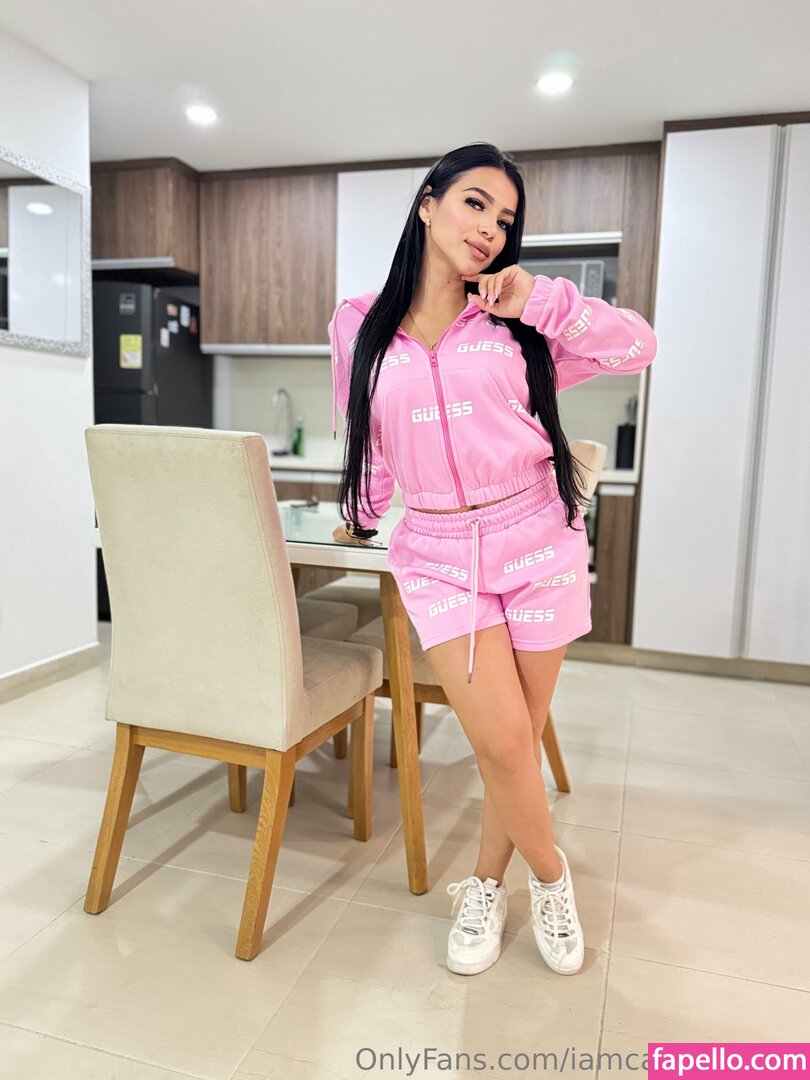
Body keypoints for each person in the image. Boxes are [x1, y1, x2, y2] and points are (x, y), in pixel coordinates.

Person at [328, 142, 657, 977]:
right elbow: (367, 434)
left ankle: (483, 883)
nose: (489, 228)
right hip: (437, 554)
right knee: (505, 744)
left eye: (505, 219)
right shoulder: (357, 324)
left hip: (538, 540)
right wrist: (360, 514)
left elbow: (638, 346)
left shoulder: (520, 318)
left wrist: (540, 298)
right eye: (474, 203)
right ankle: (551, 878)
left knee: (513, 744)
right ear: (427, 203)